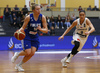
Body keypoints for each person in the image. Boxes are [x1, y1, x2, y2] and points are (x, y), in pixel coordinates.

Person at [11, 4, 48, 71]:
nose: (39, 10)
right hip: (27, 35)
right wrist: (18, 31)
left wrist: (40, 29)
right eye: (37, 9)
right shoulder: (28, 17)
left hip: (35, 36)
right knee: (28, 52)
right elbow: (23, 27)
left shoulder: (42, 17)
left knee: (32, 53)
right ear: (33, 10)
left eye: (39, 9)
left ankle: (19, 65)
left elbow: (46, 30)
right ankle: (17, 54)